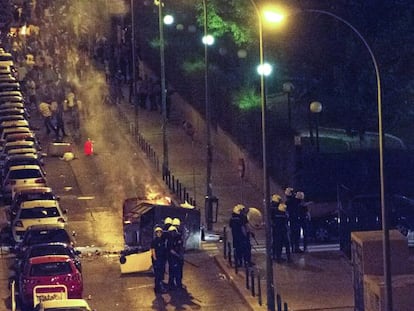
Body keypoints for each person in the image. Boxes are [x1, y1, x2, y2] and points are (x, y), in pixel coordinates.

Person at [166, 225, 184, 290]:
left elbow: (181, 247)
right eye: (171, 232)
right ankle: (172, 284)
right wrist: (178, 255)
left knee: (179, 272)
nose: (172, 233)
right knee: (173, 271)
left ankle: (178, 284)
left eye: (173, 232)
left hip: (178, 258)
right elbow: (171, 250)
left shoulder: (178, 238)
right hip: (172, 258)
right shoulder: (170, 240)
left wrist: (181, 255)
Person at [150, 226, 167, 294]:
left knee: (161, 274)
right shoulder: (154, 241)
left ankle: (159, 286)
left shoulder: (162, 240)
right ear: (156, 233)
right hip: (157, 260)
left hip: (162, 259)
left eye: (160, 232)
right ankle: (158, 288)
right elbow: (153, 251)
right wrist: (155, 260)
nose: (159, 233)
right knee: (157, 274)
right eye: (158, 232)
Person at [285, 187, 302, 253]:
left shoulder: (288, 202)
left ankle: (294, 248)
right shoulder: (294, 201)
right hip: (294, 219)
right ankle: (295, 248)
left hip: (292, 219)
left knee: (293, 234)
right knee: (295, 234)